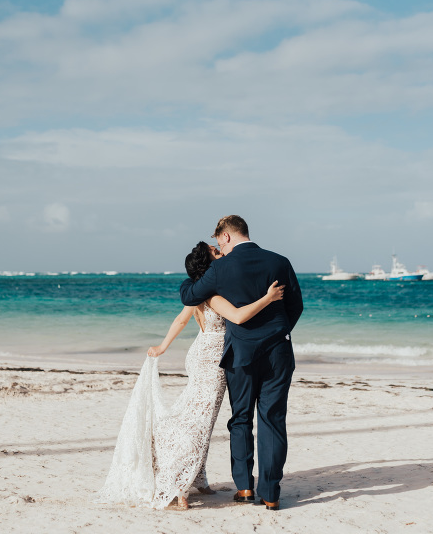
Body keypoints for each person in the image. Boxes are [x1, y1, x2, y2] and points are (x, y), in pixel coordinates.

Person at [95, 241, 284, 510]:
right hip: (212, 360)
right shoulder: (213, 294)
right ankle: (179, 487)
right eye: (216, 252)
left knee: (198, 418)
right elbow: (239, 317)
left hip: (201, 352)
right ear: (210, 263)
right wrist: (268, 298)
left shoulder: (198, 290)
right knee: (200, 422)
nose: (221, 253)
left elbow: (181, 320)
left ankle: (197, 477)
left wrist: (163, 346)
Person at [180, 215, 303, 511]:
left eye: (218, 240)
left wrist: (192, 274)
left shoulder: (221, 268)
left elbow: (189, 295)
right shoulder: (279, 261)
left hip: (241, 354)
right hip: (278, 350)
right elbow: (295, 306)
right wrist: (277, 332)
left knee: (241, 418)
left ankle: (245, 488)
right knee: (272, 420)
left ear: (225, 237)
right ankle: (271, 494)